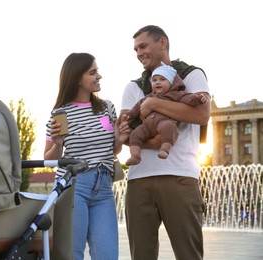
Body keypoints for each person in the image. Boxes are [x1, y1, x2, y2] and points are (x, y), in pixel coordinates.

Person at [120, 25, 210, 260]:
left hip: (180, 176)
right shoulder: (133, 87)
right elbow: (128, 135)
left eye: (143, 46)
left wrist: (153, 105)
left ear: (162, 43)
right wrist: (159, 137)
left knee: (189, 255)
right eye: (135, 49)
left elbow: (201, 115)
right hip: (138, 181)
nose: (138, 53)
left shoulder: (192, 75)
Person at [44, 52, 125, 260]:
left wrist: (120, 138)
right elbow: (50, 161)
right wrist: (59, 144)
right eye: (93, 72)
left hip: (104, 189)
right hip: (74, 187)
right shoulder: (60, 114)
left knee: (107, 255)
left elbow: (112, 150)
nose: (99, 76)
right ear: (77, 78)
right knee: (72, 254)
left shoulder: (106, 108)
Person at [123, 63, 208, 166]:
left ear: (171, 82)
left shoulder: (176, 94)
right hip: (146, 125)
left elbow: (188, 98)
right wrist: (129, 115)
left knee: (168, 128)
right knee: (135, 134)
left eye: (162, 79)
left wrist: (198, 98)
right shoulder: (148, 97)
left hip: (164, 121)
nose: (158, 82)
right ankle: (135, 155)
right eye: (154, 80)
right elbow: (137, 107)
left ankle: (165, 149)